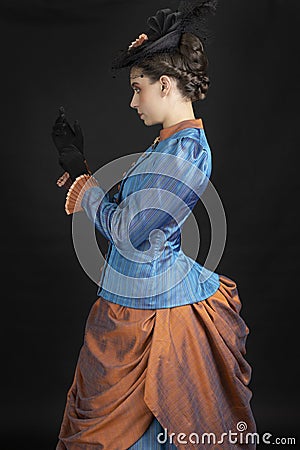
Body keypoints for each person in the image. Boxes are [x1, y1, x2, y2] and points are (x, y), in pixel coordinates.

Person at [52, 1, 257, 449]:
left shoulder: (186, 153)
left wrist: (86, 188)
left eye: (136, 88)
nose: (132, 101)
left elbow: (129, 232)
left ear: (165, 85)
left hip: (157, 313)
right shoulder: (166, 146)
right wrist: (78, 165)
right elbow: (131, 210)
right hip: (131, 300)